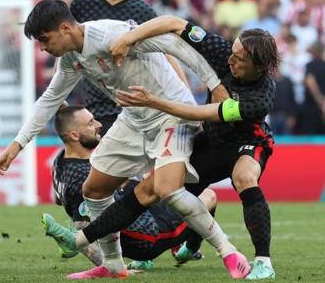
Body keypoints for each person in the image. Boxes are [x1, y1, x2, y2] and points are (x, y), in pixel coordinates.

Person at [0, 0, 249, 280]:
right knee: (94, 189)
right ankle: (113, 264)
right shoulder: (70, 58)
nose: (42, 47)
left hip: (171, 115)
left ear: (65, 28)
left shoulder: (110, 35)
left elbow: (174, 45)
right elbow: (50, 99)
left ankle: (229, 252)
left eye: (44, 39)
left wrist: (214, 86)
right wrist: (17, 144)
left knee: (168, 191)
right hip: (134, 119)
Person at [109, 16, 280, 279]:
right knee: (166, 189)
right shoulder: (226, 51)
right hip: (212, 143)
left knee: (244, 177)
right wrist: (129, 37)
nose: (230, 60)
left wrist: (153, 101)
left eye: (239, 59)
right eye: (232, 52)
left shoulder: (261, 97)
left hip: (248, 143)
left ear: (259, 67)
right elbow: (174, 23)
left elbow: (201, 113)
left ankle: (263, 262)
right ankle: (171, 249)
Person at [49, 105, 213, 270]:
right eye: (91, 123)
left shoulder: (60, 162)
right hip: (148, 237)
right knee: (209, 197)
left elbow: (58, 200)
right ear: (75, 135)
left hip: (141, 216)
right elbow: (84, 230)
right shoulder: (83, 180)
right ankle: (190, 249)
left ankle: (187, 249)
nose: (99, 124)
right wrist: (115, 268)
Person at [70, 0, 186, 136]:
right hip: (94, 110)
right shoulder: (80, 7)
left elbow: (166, 54)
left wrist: (186, 97)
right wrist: (60, 97)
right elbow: (66, 50)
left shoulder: (143, 12)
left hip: (134, 109)